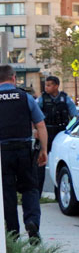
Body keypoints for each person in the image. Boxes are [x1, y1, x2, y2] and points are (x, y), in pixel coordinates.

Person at [0, 64, 48, 244]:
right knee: (30, 188)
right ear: (13, 78)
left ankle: (12, 234)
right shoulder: (25, 97)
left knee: (7, 193)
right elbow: (41, 125)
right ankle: (32, 221)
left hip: (1, 154)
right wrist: (43, 150)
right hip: (24, 150)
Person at [36, 75, 78, 194]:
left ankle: (58, 194)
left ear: (56, 86)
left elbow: (75, 116)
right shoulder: (42, 99)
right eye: (46, 85)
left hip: (60, 134)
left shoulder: (65, 99)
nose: (46, 87)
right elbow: (34, 115)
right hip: (46, 133)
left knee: (59, 163)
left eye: (49, 85)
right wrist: (36, 131)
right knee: (40, 163)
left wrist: (71, 130)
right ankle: (38, 193)